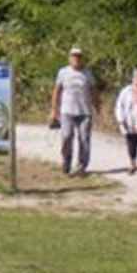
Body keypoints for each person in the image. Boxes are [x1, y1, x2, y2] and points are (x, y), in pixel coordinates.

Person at [48, 46, 96, 177]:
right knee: (67, 136)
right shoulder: (63, 72)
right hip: (67, 110)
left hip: (84, 111)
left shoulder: (87, 73)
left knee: (84, 139)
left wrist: (96, 106)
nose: (76, 59)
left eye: (79, 56)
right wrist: (54, 110)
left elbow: (93, 90)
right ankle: (66, 161)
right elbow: (56, 91)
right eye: (74, 56)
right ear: (69, 58)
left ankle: (81, 165)